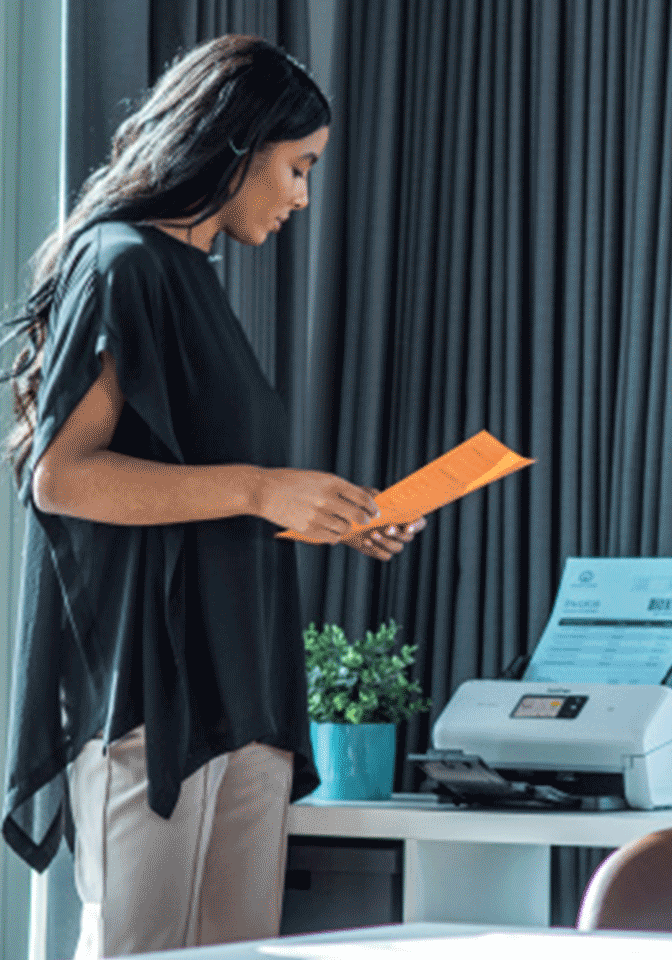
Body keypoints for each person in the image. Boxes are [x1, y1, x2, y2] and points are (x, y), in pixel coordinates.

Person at [0, 34, 424, 958]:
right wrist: (266, 487)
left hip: (243, 687)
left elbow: (202, 493)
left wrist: (322, 514)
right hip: (155, 692)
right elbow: (65, 478)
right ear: (237, 145)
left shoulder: (192, 280)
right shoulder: (121, 265)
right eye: (297, 167)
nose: (303, 197)